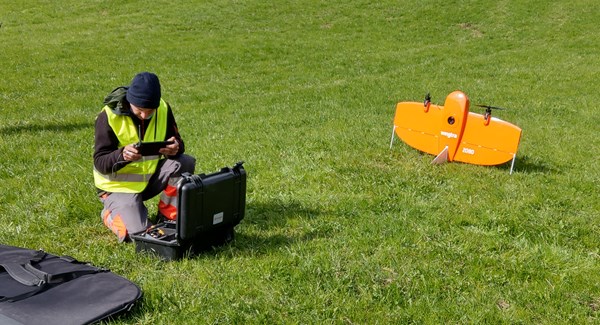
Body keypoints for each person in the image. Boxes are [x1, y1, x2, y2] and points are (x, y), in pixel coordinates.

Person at [93, 72, 196, 242]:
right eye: (140, 111)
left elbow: (177, 141)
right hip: (117, 187)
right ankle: (109, 213)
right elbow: (100, 162)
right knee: (140, 235)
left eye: (150, 112)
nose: (144, 115)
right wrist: (122, 155)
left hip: (147, 180)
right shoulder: (108, 116)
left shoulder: (162, 108)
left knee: (185, 162)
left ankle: (169, 217)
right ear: (130, 101)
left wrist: (176, 147)